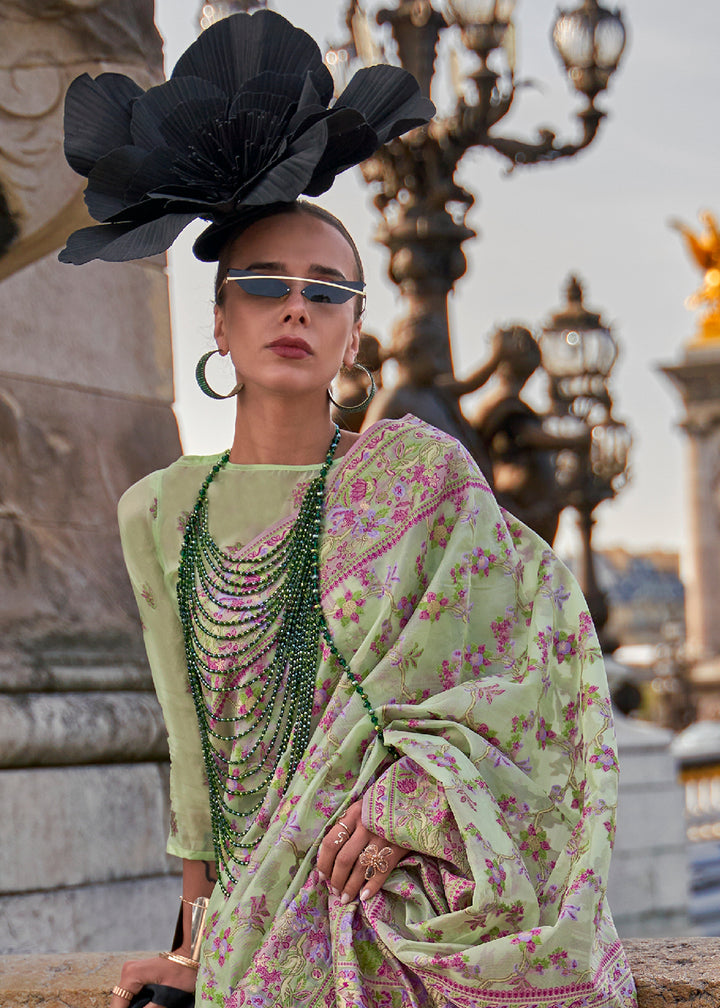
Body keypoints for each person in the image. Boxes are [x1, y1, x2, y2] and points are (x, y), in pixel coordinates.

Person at [59, 11, 636, 1008]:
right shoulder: (159, 509)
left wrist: (422, 787)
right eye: (267, 286)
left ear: (355, 332)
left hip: (409, 910)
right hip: (256, 932)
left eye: (326, 293)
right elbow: (198, 772)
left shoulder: (420, 480)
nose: (296, 309)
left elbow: (534, 687)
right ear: (222, 319)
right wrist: (195, 948)